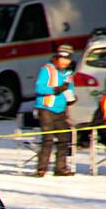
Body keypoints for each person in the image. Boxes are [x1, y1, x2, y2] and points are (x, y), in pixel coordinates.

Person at [35, 44, 77, 177]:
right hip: (46, 108)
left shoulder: (68, 72)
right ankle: (42, 168)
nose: (65, 62)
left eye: (67, 59)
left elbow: (69, 88)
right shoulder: (47, 69)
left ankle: (60, 167)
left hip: (61, 109)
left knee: (64, 139)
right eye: (62, 58)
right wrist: (55, 89)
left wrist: (71, 97)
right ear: (57, 57)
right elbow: (39, 88)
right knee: (48, 139)